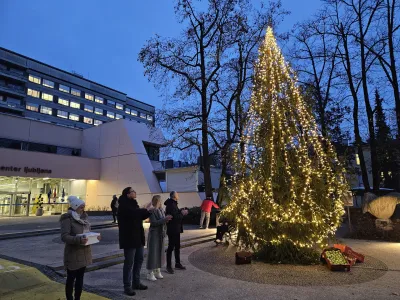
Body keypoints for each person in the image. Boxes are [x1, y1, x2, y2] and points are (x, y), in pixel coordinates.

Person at [60, 196, 101, 300]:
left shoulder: (84, 218)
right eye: (81, 207)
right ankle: (69, 298)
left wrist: (95, 237)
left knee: (80, 278)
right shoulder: (67, 218)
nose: (83, 209)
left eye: (84, 207)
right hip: (73, 253)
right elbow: (64, 237)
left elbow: (87, 233)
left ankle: (77, 298)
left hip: (84, 251)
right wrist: (77, 240)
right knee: (71, 278)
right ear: (75, 207)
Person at [118, 187, 154, 296]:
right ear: (128, 194)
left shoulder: (134, 203)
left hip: (138, 237)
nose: (135, 192)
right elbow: (133, 213)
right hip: (129, 238)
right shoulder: (123, 205)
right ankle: (127, 286)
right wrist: (145, 209)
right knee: (129, 263)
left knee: (139, 260)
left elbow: (140, 215)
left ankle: (136, 282)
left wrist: (149, 212)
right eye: (133, 191)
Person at [146, 195, 173, 281]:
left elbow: (161, 221)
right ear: (156, 201)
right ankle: (150, 272)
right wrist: (165, 219)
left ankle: (157, 270)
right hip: (154, 234)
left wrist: (166, 219)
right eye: (160, 201)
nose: (161, 202)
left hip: (161, 233)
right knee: (153, 253)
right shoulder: (152, 210)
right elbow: (153, 223)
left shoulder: (161, 210)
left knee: (160, 252)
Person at [164, 191, 188, 274]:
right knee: (171, 247)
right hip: (173, 229)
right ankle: (168, 266)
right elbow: (175, 217)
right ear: (174, 196)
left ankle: (177, 263)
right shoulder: (171, 204)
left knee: (177, 246)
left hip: (176, 228)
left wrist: (180, 210)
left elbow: (175, 214)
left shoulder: (173, 203)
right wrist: (182, 213)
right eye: (177, 194)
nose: (178, 195)